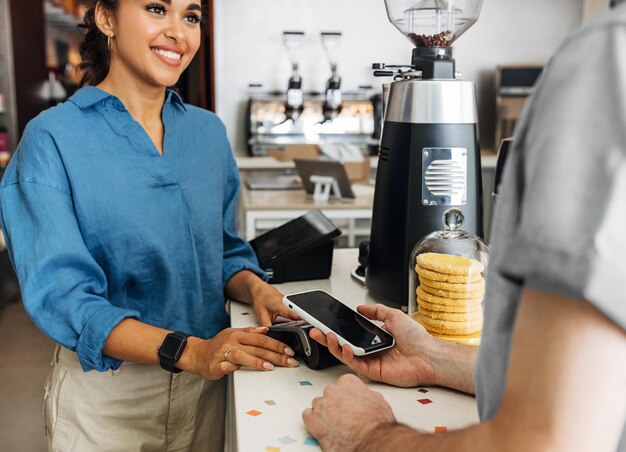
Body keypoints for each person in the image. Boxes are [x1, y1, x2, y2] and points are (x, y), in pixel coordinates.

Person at [303, 2, 626, 451]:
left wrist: (367, 435)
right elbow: (592, 378)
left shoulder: (609, 57)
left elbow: (543, 441)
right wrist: (436, 359)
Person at [0, 0, 299, 450]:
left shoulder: (206, 133)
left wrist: (255, 288)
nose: (178, 32)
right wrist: (190, 351)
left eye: (191, 16)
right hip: (109, 398)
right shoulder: (53, 139)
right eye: (157, 8)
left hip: (210, 385)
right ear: (106, 18)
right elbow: (65, 298)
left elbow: (221, 250)